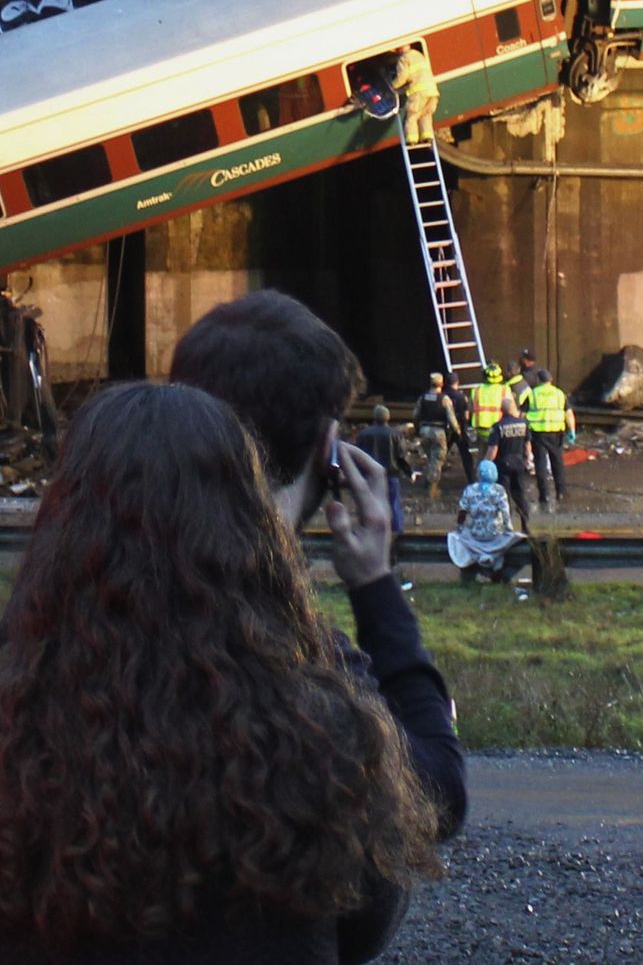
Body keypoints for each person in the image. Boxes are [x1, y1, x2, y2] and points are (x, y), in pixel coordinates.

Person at [0, 383, 446, 963]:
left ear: (58, 531)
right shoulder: (322, 749)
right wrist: (352, 599)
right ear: (250, 539)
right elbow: (369, 923)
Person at [167, 290, 467, 840]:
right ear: (329, 447)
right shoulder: (297, 665)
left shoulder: (74, 614)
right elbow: (438, 793)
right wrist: (375, 587)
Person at [448, 459, 526, 585]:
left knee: (454, 536)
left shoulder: (470, 489)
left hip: (475, 533)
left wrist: (460, 527)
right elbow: (505, 514)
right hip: (494, 533)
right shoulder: (499, 491)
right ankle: (497, 571)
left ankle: (472, 569)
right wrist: (508, 530)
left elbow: (462, 512)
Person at [524, 366, 575, 514]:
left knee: (540, 464)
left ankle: (544, 495)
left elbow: (522, 413)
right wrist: (571, 430)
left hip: (538, 433)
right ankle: (561, 491)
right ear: (551, 380)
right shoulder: (559, 394)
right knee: (557, 461)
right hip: (556, 432)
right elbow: (569, 414)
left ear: (539, 380)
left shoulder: (533, 394)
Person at [354, 402, 410, 534]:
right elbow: (401, 456)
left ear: (374, 417)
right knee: (394, 503)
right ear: (388, 418)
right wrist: (409, 472)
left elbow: (358, 455)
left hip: (370, 475)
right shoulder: (396, 434)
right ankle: (397, 530)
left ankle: (369, 529)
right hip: (391, 475)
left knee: (369, 503)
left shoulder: (364, 434)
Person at [485, 390, 534, 533]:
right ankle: (525, 523)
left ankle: (506, 525)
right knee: (519, 492)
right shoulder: (523, 424)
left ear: (502, 411)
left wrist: (486, 462)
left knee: (503, 494)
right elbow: (527, 444)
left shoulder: (498, 426)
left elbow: (493, 449)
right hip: (519, 462)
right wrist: (528, 458)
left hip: (503, 463)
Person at [410, 372, 457, 500]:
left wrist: (417, 429)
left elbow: (415, 415)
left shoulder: (423, 397)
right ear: (441, 384)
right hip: (439, 432)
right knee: (437, 460)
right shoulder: (444, 399)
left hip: (424, 431)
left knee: (430, 458)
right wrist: (457, 431)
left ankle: (428, 481)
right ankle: (432, 489)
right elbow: (451, 418)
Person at [390, 41, 439, 145]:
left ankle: (411, 140)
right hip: (432, 91)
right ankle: (428, 136)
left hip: (418, 93)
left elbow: (403, 78)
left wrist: (392, 86)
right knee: (425, 115)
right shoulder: (419, 55)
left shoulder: (404, 59)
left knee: (412, 116)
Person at [440, 372, 475, 483]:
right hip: (460, 429)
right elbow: (466, 415)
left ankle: (433, 479)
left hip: (445, 429)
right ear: (457, 382)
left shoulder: (442, 396)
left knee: (441, 454)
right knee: (466, 456)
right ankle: (472, 480)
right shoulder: (461, 397)